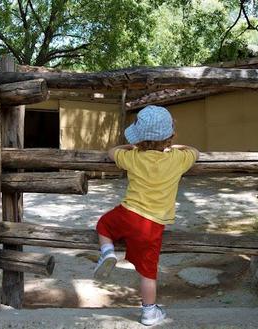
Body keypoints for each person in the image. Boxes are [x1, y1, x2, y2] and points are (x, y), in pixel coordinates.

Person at [93, 105, 199, 326]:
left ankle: (107, 251)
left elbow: (111, 152)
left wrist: (129, 145)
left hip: (127, 213)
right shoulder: (178, 159)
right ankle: (149, 312)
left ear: (138, 138)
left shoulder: (132, 157)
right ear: (169, 136)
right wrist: (176, 146)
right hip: (152, 225)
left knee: (103, 225)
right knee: (148, 272)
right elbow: (195, 152)